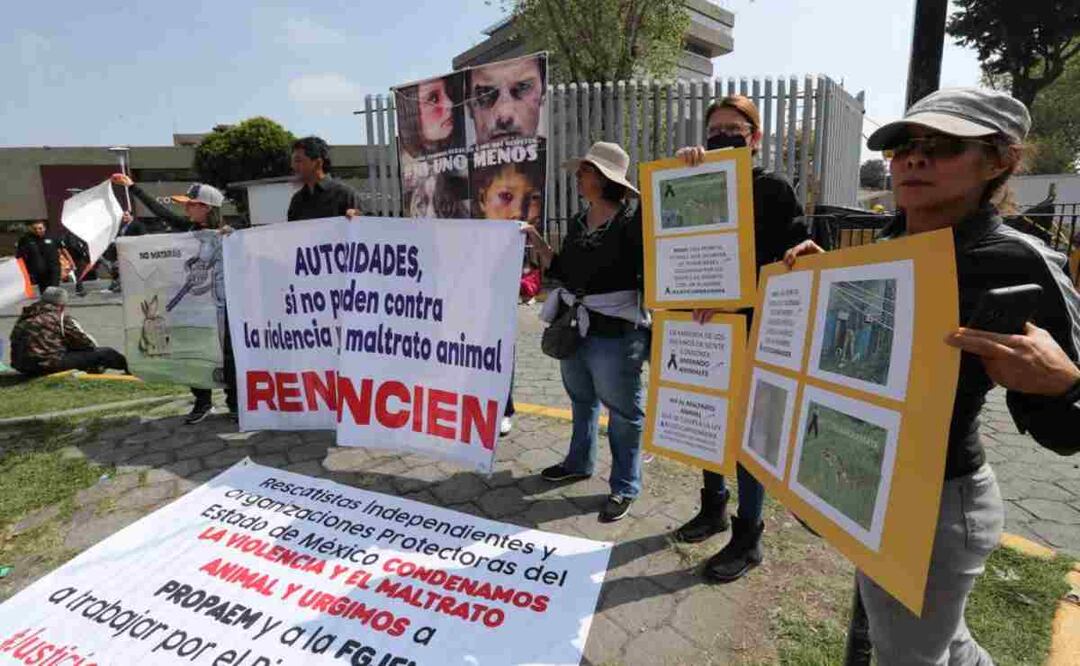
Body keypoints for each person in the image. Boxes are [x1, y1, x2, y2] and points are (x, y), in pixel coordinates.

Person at [785, 87, 1080, 665]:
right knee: (942, 640)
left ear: (998, 161)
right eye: (904, 147)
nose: (914, 160)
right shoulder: (888, 242)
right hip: (866, 477)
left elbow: (1065, 430)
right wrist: (820, 288)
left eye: (943, 146)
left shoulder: (1019, 261)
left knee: (909, 656)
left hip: (937, 504)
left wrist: (1066, 383)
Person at [671, 95, 813, 583]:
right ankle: (713, 508)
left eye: (734, 130)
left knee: (748, 439)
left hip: (752, 331)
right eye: (715, 131)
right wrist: (688, 174)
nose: (723, 138)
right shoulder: (700, 180)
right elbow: (672, 244)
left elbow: (791, 261)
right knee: (708, 423)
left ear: (754, 139)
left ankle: (748, 536)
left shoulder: (773, 189)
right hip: (704, 330)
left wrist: (734, 297)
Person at [524, 141, 650, 523]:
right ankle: (579, 462)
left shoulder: (633, 223)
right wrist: (538, 242)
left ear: (605, 179)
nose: (578, 177)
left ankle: (625, 485)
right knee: (581, 400)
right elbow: (564, 269)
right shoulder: (579, 222)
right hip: (576, 327)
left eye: (585, 172)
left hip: (616, 333)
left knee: (624, 412)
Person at [111, 174, 237, 425]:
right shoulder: (185, 231)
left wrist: (231, 237)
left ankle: (235, 403)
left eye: (191, 204)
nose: (185, 207)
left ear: (206, 207)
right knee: (194, 354)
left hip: (223, 310)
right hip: (191, 310)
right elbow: (161, 211)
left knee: (228, 358)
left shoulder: (230, 233)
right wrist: (133, 187)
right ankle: (202, 402)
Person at [9, 286, 128, 376]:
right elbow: (84, 342)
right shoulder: (59, 318)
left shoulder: (26, 315)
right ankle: (133, 369)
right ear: (61, 304)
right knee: (105, 353)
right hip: (45, 365)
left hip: (22, 365)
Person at [467, 56, 546, 145]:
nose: (505, 115)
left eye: (523, 87)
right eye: (485, 93)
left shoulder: (557, 152)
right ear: (468, 105)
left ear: (542, 92)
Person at [287, 136, 364, 221]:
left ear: (318, 163)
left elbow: (364, 229)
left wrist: (358, 219)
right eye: (292, 162)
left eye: (298, 161)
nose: (293, 166)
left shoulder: (346, 195)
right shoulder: (297, 201)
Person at [15, 220, 63, 291]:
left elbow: (61, 251)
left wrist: (67, 265)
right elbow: (19, 255)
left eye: (40, 228)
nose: (37, 230)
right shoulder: (26, 240)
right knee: (44, 292)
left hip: (54, 269)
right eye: (35, 229)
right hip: (39, 271)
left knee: (54, 290)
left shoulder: (52, 237)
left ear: (44, 228)